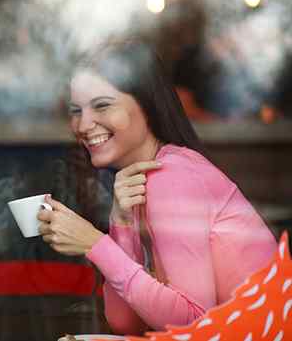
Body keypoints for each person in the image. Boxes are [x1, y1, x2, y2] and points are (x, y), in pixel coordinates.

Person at [38, 41, 277, 335]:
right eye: (76, 110)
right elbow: (126, 322)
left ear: (147, 106)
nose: (83, 124)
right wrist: (121, 226)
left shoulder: (172, 176)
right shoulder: (142, 178)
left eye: (102, 105)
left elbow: (193, 326)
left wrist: (94, 245)